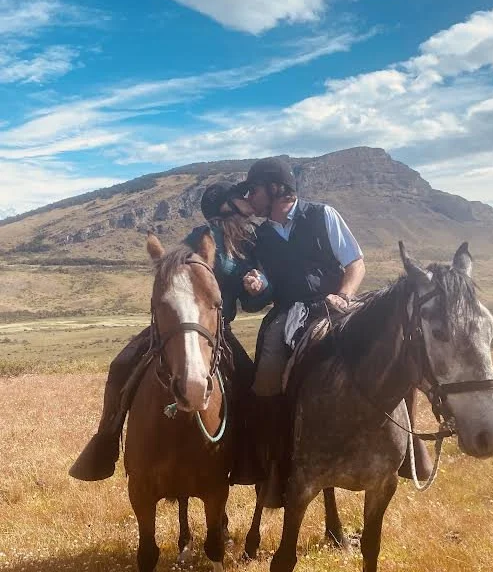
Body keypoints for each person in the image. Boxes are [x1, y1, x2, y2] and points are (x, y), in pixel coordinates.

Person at [238, 157, 433, 503]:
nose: (251, 198)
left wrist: (344, 295)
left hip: (338, 303)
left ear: (274, 189)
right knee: (266, 375)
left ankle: (411, 447)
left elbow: (355, 263)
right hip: (291, 312)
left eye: (254, 190)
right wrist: (258, 283)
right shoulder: (262, 236)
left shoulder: (322, 215)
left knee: (393, 348)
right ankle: (272, 460)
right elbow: (266, 278)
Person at [69, 182, 272, 481]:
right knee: (121, 365)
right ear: (225, 206)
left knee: (247, 378)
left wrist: (258, 286)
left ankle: (244, 453)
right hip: (176, 326)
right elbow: (169, 273)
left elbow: (254, 303)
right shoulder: (198, 238)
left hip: (216, 330)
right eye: (239, 198)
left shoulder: (246, 245)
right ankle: (106, 441)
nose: (247, 201)